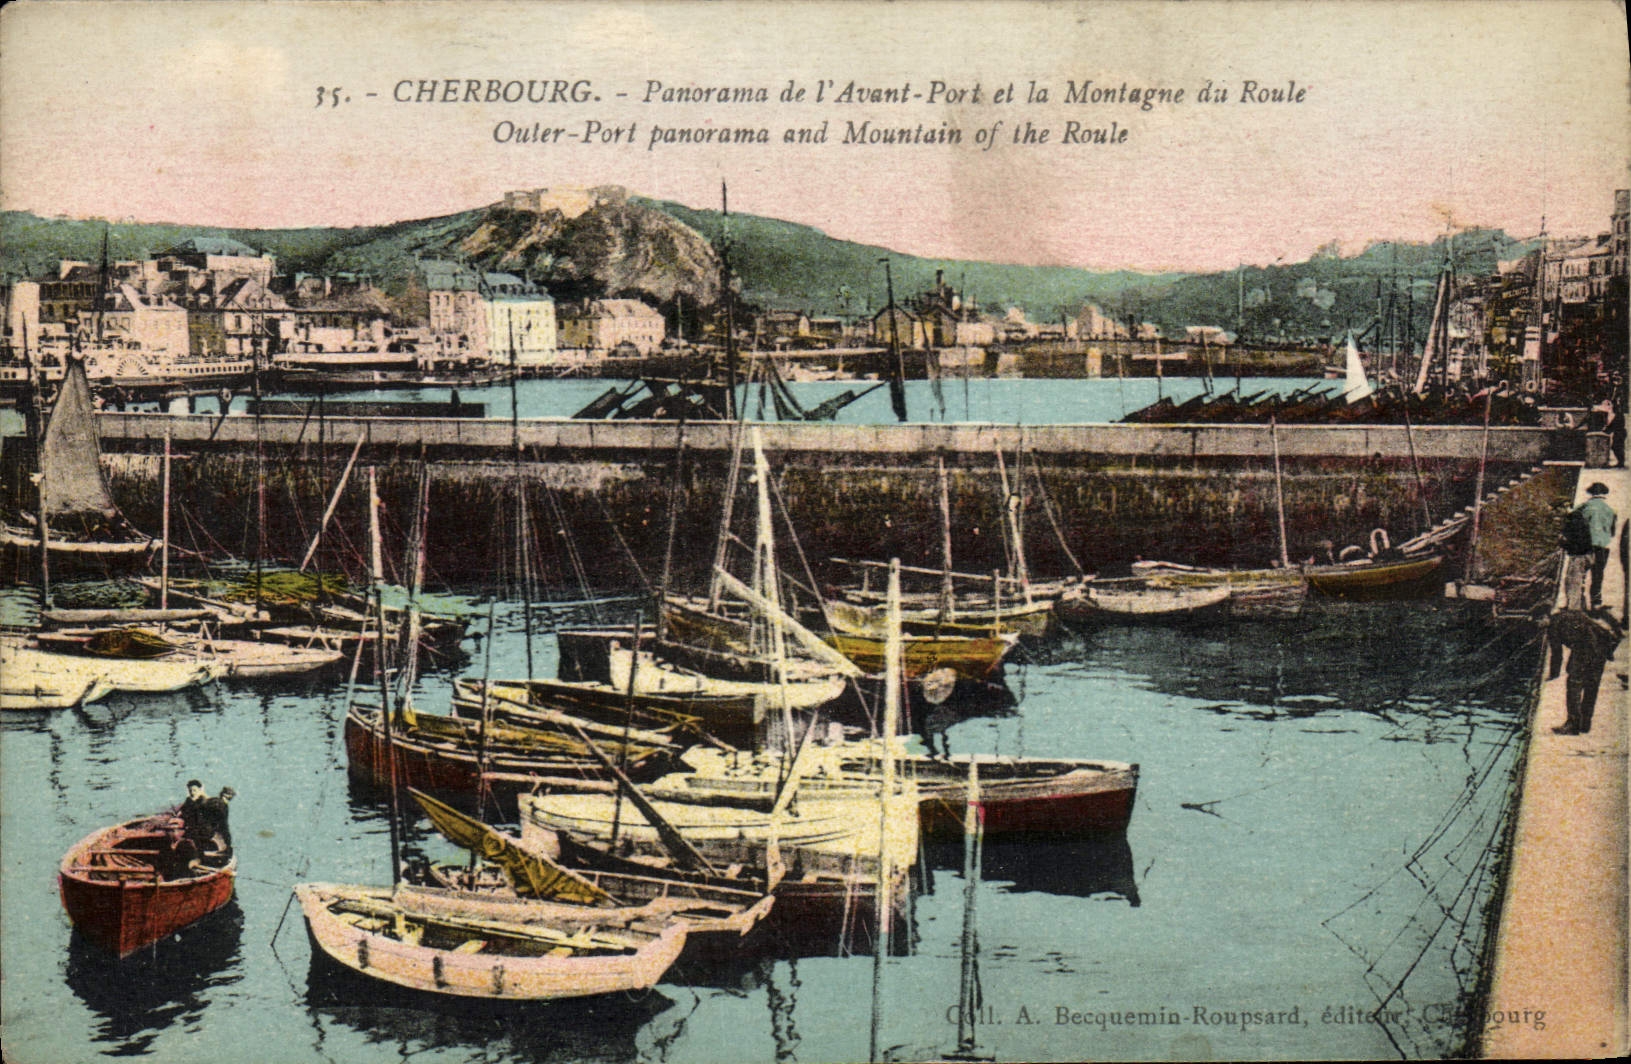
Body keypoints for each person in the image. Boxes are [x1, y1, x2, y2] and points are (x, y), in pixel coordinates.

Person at [1546, 608, 1625, 735]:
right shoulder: (1567, 614)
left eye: (1539, 621)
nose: (1539, 625)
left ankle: (1573, 723)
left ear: (1545, 617)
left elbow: (1557, 653)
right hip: (1602, 646)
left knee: (1574, 685)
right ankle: (1585, 723)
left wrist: (1553, 675)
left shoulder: (1553, 626)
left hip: (1586, 647)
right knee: (1591, 685)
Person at [1562, 483, 1618, 610]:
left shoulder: (1583, 507)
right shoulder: (1610, 510)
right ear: (1604, 494)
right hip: (1602, 547)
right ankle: (1596, 603)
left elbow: (1573, 522)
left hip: (1586, 546)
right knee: (1598, 575)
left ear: (1591, 493)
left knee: (1578, 575)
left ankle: (1577, 603)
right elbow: (1612, 532)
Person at [198, 786, 235, 865]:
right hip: (210, 833)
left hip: (199, 831)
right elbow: (224, 825)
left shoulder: (210, 801)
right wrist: (228, 841)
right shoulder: (223, 806)